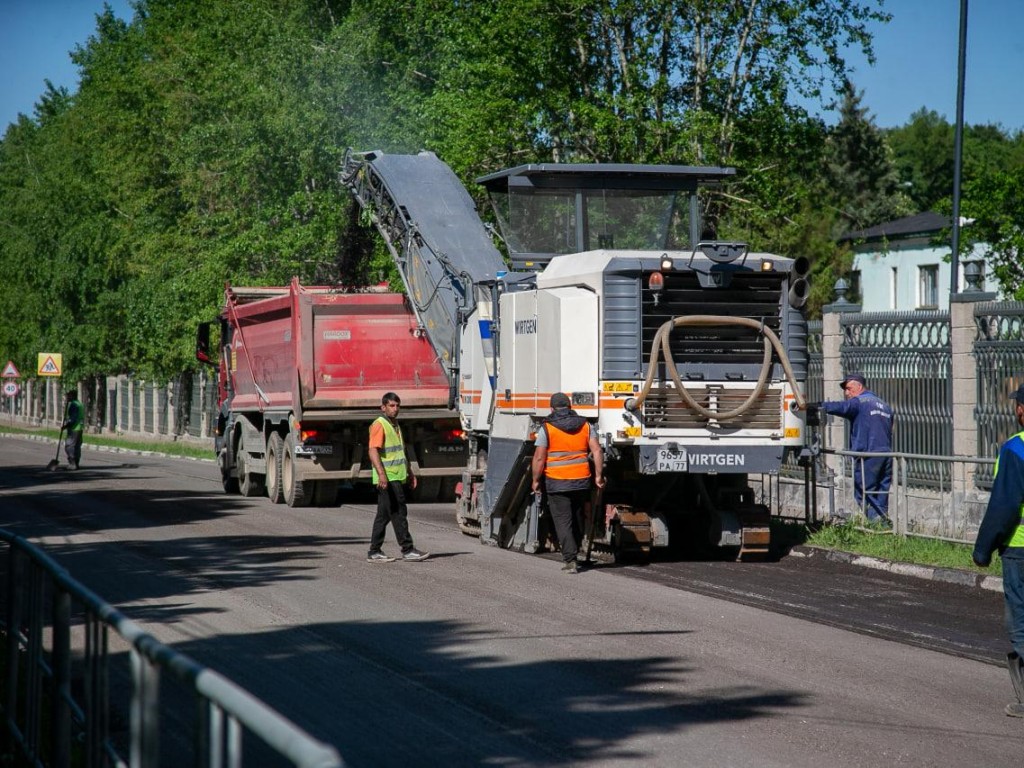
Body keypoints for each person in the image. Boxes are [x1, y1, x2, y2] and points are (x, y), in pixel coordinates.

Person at [973, 384, 1024, 718]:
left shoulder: (1016, 449)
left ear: (1021, 410)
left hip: (1020, 549)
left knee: (1020, 620)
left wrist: (983, 548)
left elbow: (1004, 506)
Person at [531, 392, 605, 574]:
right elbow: (597, 450)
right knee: (577, 517)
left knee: (563, 521)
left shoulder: (547, 428)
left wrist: (535, 480)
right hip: (581, 481)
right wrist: (598, 475)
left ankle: (570, 560)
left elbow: (539, 458)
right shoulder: (586, 425)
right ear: (570, 407)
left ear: (551, 408)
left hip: (557, 482)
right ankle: (576, 551)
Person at [809, 373, 894, 523]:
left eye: (849, 389)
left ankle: (878, 525)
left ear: (859, 386)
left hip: (868, 455)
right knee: (881, 492)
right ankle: (884, 524)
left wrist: (816, 405)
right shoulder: (885, 405)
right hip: (886, 454)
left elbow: (840, 407)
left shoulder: (859, 402)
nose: (847, 393)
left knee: (863, 491)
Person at [366, 392, 430, 563]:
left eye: (397, 406)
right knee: (399, 512)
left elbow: (400, 452)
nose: (395, 409)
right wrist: (381, 474)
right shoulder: (380, 424)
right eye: (392, 406)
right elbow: (373, 450)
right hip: (387, 478)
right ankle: (407, 549)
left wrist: (410, 472)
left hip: (396, 476)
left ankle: (374, 551)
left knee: (385, 515)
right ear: (383, 407)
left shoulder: (394, 424)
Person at [62, 390, 85, 470]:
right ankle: (76, 463)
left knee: (69, 446)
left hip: (74, 428)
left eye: (68, 396)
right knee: (77, 446)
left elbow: (73, 418)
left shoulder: (74, 405)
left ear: (72, 396)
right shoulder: (79, 404)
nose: (67, 398)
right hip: (80, 428)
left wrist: (66, 425)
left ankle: (72, 463)